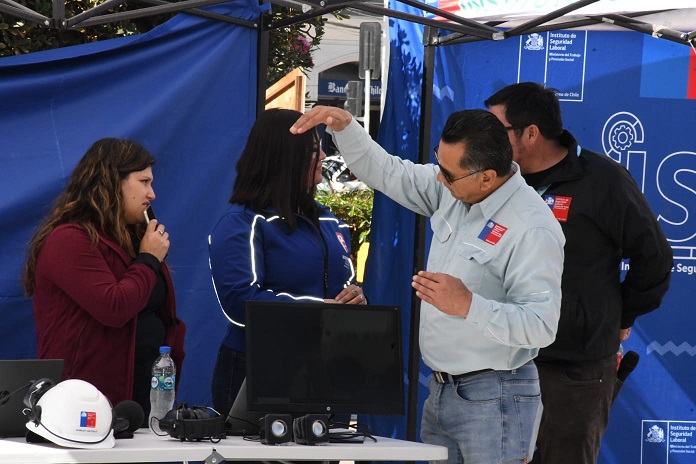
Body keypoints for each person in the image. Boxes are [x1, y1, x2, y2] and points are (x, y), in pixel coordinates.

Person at [291, 107, 565, 464]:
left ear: (487, 178)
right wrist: (346, 130)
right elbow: (390, 172)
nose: (439, 178)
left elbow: (541, 324)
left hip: (495, 393)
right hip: (442, 390)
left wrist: (468, 304)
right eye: (439, 163)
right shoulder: (456, 188)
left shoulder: (532, 228)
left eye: (448, 174)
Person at [484, 82, 673, 464]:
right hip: (500, 363)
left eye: (496, 130)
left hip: (573, 368)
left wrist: (619, 316)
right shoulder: (498, 182)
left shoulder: (603, 180)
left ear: (530, 133)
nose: (486, 140)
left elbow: (654, 257)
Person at [208, 108, 365, 418]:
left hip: (326, 368)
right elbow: (240, 303)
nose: (323, 156)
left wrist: (356, 296)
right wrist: (318, 309)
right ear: (285, 155)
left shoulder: (329, 220)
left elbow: (344, 285)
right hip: (259, 369)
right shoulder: (242, 223)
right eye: (313, 149)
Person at [23, 138, 186, 426]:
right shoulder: (69, 239)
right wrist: (148, 260)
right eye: (144, 182)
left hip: (139, 402)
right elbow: (114, 307)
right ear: (112, 182)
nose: (152, 194)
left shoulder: (133, 239)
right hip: (83, 405)